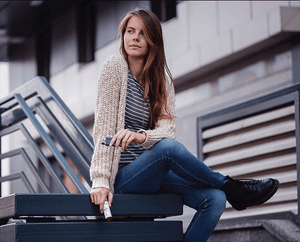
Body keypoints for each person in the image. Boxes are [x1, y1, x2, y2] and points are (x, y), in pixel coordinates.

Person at [89, 8, 279, 242]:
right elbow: (103, 130)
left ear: (153, 41)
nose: (135, 38)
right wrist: (100, 181)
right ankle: (233, 188)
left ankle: (227, 191)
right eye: (130, 31)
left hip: (152, 173)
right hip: (124, 178)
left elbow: (167, 131)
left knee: (215, 199)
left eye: (142, 33)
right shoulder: (114, 68)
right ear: (123, 35)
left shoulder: (162, 80)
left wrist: (141, 137)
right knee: (168, 149)